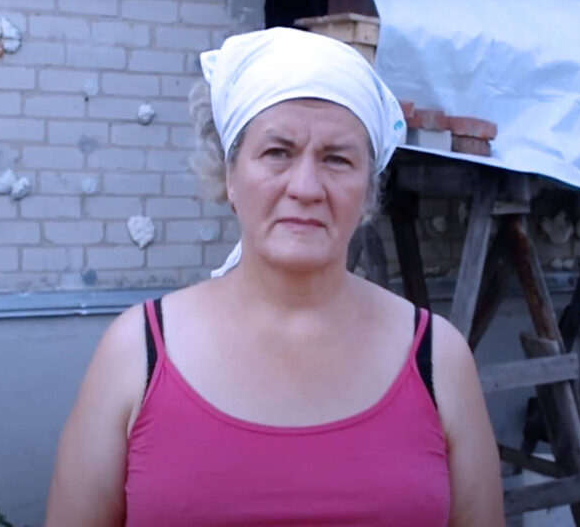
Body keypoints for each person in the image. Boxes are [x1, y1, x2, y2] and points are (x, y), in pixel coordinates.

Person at [44, 27, 504, 526]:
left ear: (368, 191)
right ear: (229, 175)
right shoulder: (136, 353)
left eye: (337, 159)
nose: (306, 187)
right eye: (277, 152)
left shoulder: (439, 360)